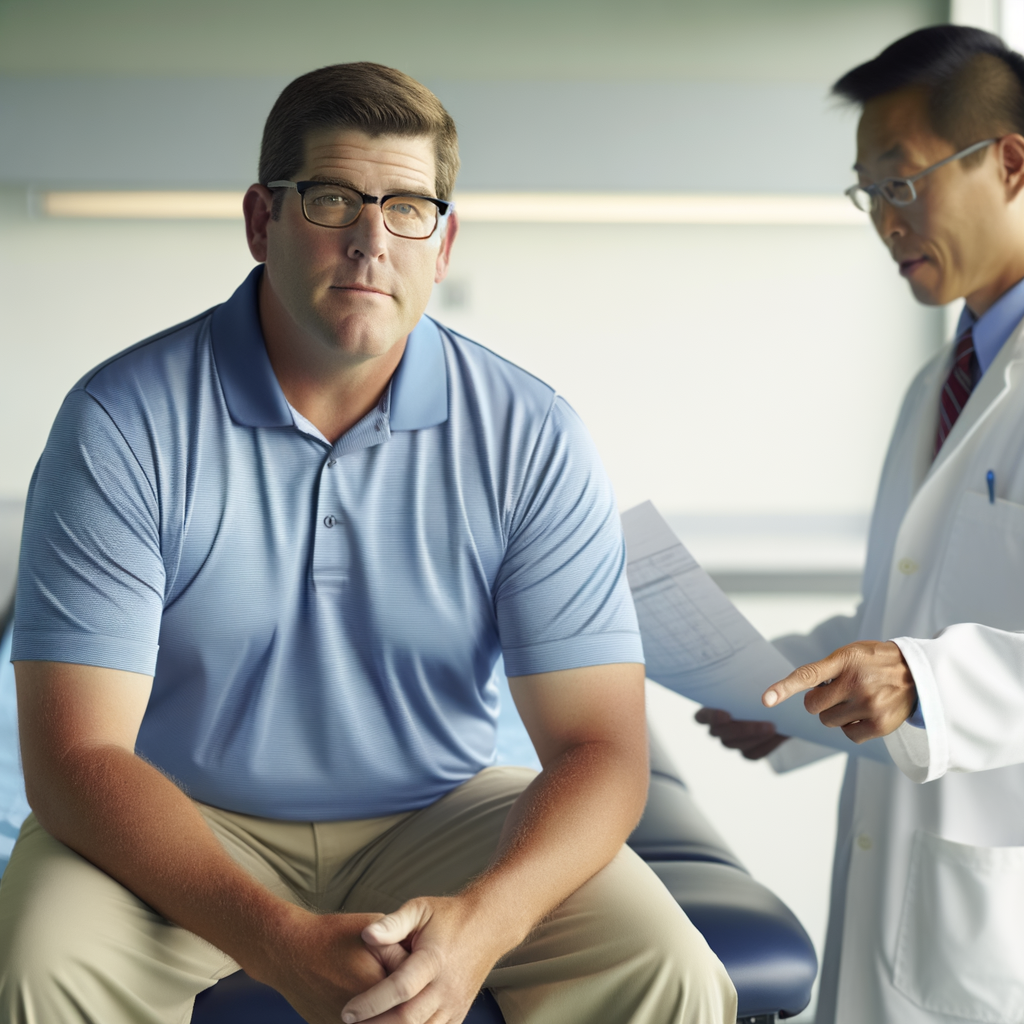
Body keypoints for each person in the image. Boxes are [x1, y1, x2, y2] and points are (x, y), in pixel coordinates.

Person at [0, 63, 736, 1024]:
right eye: (333, 201)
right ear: (263, 221)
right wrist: (271, 939)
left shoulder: (530, 433)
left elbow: (601, 746)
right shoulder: (121, 421)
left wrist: (484, 922)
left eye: (406, 209)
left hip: (443, 812)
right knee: (42, 962)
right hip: (187, 816)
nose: (369, 242)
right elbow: (74, 755)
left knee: (668, 969)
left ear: (444, 239)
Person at [697, 25, 1024, 1024]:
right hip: (908, 898)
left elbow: (920, 662)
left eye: (902, 183)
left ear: (1010, 162)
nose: (884, 222)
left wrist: (919, 679)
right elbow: (904, 614)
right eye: (867, 194)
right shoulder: (942, 382)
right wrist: (786, 687)